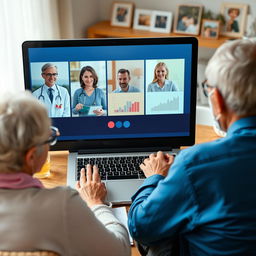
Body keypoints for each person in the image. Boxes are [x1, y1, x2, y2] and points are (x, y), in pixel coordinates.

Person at [128, 38, 256, 255]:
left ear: (217, 99)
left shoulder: (195, 165)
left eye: (208, 89)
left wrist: (154, 177)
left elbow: (140, 227)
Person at [0, 91, 130, 255]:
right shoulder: (61, 205)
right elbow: (121, 251)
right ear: (31, 156)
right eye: (49, 137)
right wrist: (97, 203)